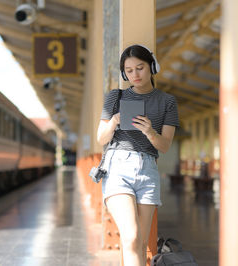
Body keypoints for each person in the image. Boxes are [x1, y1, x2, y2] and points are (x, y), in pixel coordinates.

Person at [96, 44, 179, 266]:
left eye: (140, 68)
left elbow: (165, 145)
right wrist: (114, 121)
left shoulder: (167, 102)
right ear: (124, 73)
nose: (135, 75)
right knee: (131, 237)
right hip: (118, 169)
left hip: (148, 169)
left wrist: (150, 131)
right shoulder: (115, 97)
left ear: (152, 67)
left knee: (142, 243)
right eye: (129, 70)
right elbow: (101, 139)